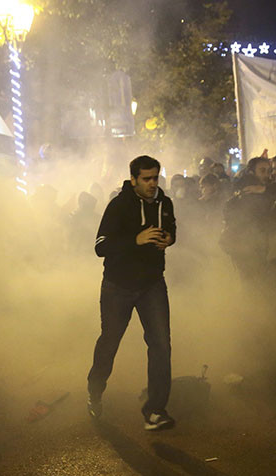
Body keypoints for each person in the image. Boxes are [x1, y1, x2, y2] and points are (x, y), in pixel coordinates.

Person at [87, 155, 177, 431]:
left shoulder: (165, 202)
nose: (152, 184)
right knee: (110, 341)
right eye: (146, 179)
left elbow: (172, 229)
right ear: (134, 179)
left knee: (161, 345)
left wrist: (168, 239)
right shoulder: (119, 205)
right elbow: (100, 245)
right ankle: (95, 391)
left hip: (152, 284)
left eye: (155, 178)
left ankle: (155, 411)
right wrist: (135, 240)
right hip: (118, 286)